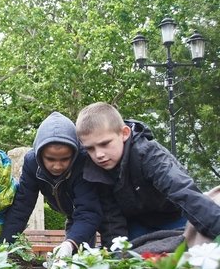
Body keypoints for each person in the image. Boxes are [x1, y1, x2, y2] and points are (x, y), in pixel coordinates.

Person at [76, 102, 220, 244]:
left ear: (124, 133)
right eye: (90, 148)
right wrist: (117, 254)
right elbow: (111, 219)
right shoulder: (94, 171)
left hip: (175, 217)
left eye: (104, 144)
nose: (98, 154)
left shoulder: (149, 155)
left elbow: (183, 192)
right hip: (137, 225)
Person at [0, 112, 102, 257]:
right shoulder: (31, 163)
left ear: (74, 154)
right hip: (72, 212)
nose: (57, 166)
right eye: (50, 159)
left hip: (101, 211)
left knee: (85, 256)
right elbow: (22, 206)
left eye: (65, 159)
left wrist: (70, 243)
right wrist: (4, 246)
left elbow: (87, 211)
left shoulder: (83, 162)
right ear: (40, 154)